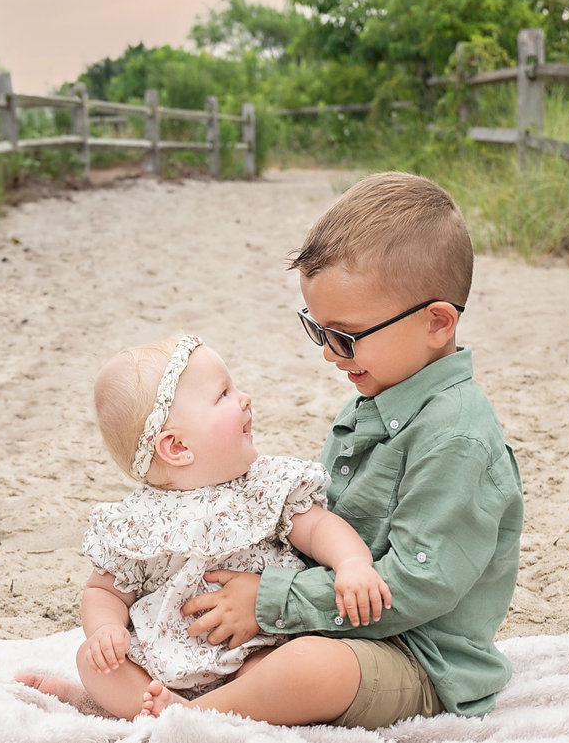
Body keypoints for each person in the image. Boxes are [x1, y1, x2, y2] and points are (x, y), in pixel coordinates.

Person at [144, 171, 525, 729]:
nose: (328, 354)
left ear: (437, 322)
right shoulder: (379, 388)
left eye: (344, 336)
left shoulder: (456, 441)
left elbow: (416, 587)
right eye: (317, 330)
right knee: (194, 619)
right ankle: (139, 698)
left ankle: (192, 718)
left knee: (307, 667)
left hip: (418, 657)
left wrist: (273, 602)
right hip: (337, 619)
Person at [17, 334, 391, 720]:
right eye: (224, 395)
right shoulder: (135, 521)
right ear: (177, 447)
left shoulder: (265, 485)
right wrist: (104, 631)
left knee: (281, 672)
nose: (245, 398)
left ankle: (182, 713)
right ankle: (145, 707)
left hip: (253, 646)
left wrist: (352, 563)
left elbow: (318, 529)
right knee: (94, 663)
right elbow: (103, 590)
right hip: (163, 659)